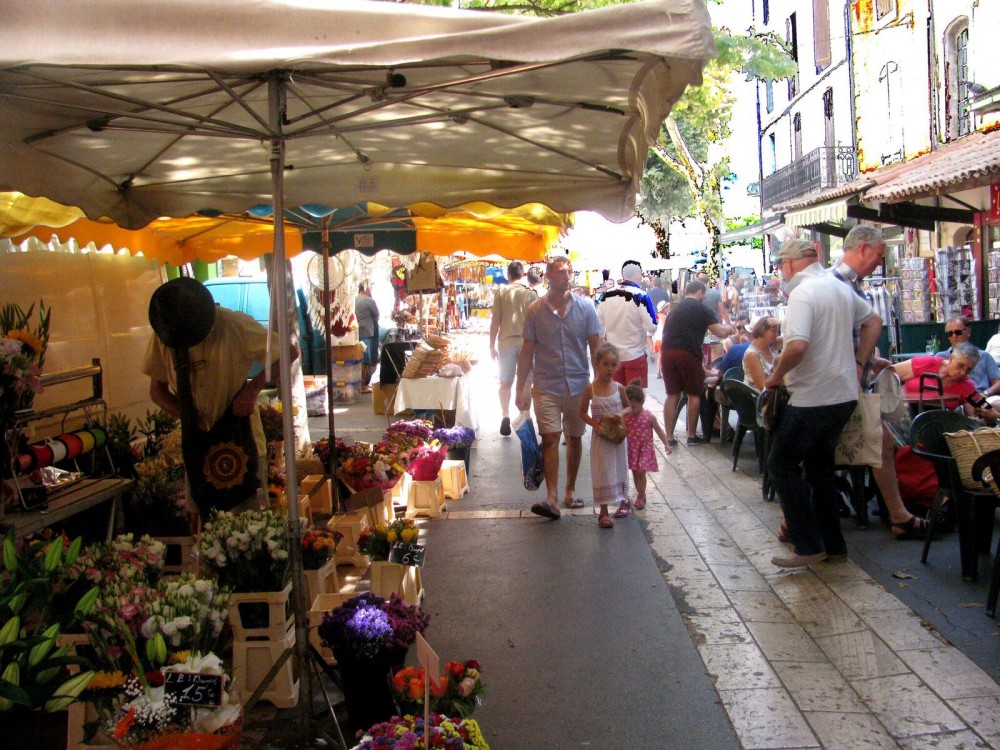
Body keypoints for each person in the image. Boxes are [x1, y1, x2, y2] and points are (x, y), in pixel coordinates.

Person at [764, 239, 882, 568]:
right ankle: (834, 545)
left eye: (780, 266)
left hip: (814, 396)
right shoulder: (838, 287)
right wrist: (859, 363)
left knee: (781, 464)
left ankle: (807, 543)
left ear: (789, 264)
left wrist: (776, 374)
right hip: (842, 394)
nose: (780, 272)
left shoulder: (803, 293)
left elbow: (798, 346)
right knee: (819, 470)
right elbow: (874, 322)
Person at [142, 276, 298, 514]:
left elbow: (288, 352)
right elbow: (157, 390)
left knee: (250, 529)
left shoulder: (233, 324)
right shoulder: (169, 331)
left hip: (241, 440)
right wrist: (189, 417)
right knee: (206, 528)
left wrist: (252, 390)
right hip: (198, 448)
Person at [832, 224, 937, 540]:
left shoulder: (850, 285)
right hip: (842, 385)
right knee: (876, 442)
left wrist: (870, 360)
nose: (880, 263)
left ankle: (896, 514)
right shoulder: (838, 285)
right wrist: (860, 361)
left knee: (880, 441)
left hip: (848, 384)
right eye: (878, 256)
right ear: (862, 249)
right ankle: (897, 515)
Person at [516, 256, 603, 520]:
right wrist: (520, 387)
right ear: (548, 276)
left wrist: (601, 385)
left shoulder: (586, 308)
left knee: (575, 437)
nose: (567, 276)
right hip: (546, 385)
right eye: (561, 272)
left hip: (578, 383)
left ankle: (569, 490)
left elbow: (596, 345)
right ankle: (551, 497)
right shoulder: (534, 310)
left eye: (570, 271)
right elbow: (526, 351)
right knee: (550, 437)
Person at [660, 280, 733, 447]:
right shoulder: (701, 308)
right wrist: (730, 328)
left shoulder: (674, 308)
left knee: (672, 395)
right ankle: (691, 435)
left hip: (667, 353)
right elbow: (721, 332)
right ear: (700, 293)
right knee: (694, 394)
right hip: (688, 353)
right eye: (703, 295)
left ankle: (669, 437)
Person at [578, 343, 630, 528]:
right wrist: (595, 424)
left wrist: (621, 414)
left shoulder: (619, 388)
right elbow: (582, 412)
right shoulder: (590, 389)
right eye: (606, 364)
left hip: (617, 439)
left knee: (620, 467)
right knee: (603, 471)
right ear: (597, 364)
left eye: (613, 364)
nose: (610, 369)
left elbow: (629, 406)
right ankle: (604, 511)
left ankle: (624, 500)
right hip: (601, 440)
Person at [891, 344, 998, 423]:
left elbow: (987, 409)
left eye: (968, 370)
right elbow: (889, 373)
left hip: (935, 424)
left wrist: (992, 416)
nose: (963, 373)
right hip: (901, 413)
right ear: (951, 358)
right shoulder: (927, 363)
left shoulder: (966, 385)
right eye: (960, 366)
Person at [489, 261, 537, 436]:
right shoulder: (531, 293)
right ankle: (525, 415)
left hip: (506, 342)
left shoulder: (501, 291)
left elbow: (496, 321)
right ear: (523, 274)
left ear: (508, 275)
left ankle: (505, 414)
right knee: (526, 381)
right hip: (527, 343)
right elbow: (536, 323)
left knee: (505, 382)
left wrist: (491, 345)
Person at [595, 260, 658, 387]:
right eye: (641, 274)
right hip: (635, 355)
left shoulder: (606, 295)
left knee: (618, 399)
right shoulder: (641, 295)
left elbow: (598, 328)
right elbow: (652, 325)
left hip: (614, 357)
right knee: (635, 399)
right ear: (636, 274)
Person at [623, 378, 671, 510]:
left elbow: (660, 431)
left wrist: (666, 444)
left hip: (644, 449)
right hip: (632, 448)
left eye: (633, 407)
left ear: (641, 402)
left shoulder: (649, 416)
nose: (631, 410)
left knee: (640, 471)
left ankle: (640, 495)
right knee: (635, 472)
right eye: (628, 407)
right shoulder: (626, 417)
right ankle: (641, 493)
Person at [935, 315, 1000, 404]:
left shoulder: (984, 356)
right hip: (953, 401)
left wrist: (986, 393)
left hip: (980, 398)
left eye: (958, 332)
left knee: (995, 405)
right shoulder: (940, 357)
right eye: (949, 333)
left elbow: (998, 382)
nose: (954, 336)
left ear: (968, 332)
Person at [742, 317, 780, 391]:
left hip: (774, 392)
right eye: (773, 331)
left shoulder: (770, 345)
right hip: (759, 398)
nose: (776, 334)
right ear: (762, 330)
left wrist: (781, 322)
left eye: (777, 331)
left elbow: (792, 340)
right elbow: (762, 388)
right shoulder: (752, 355)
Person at [355, 283, 380, 393]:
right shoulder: (369, 301)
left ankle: (359, 384)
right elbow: (377, 315)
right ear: (365, 288)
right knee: (365, 360)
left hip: (355, 332)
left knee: (358, 358)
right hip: (367, 332)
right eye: (370, 286)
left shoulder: (354, 299)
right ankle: (363, 386)